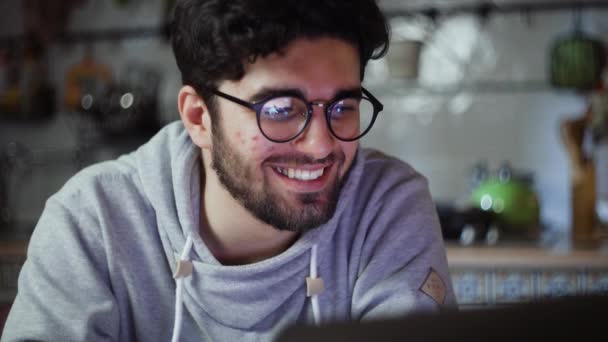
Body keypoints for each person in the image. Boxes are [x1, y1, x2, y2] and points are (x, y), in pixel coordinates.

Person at [2, 0, 456, 341]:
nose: (321, 145)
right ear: (199, 117)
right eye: (280, 108)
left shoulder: (386, 205)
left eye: (343, 106)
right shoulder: (93, 221)